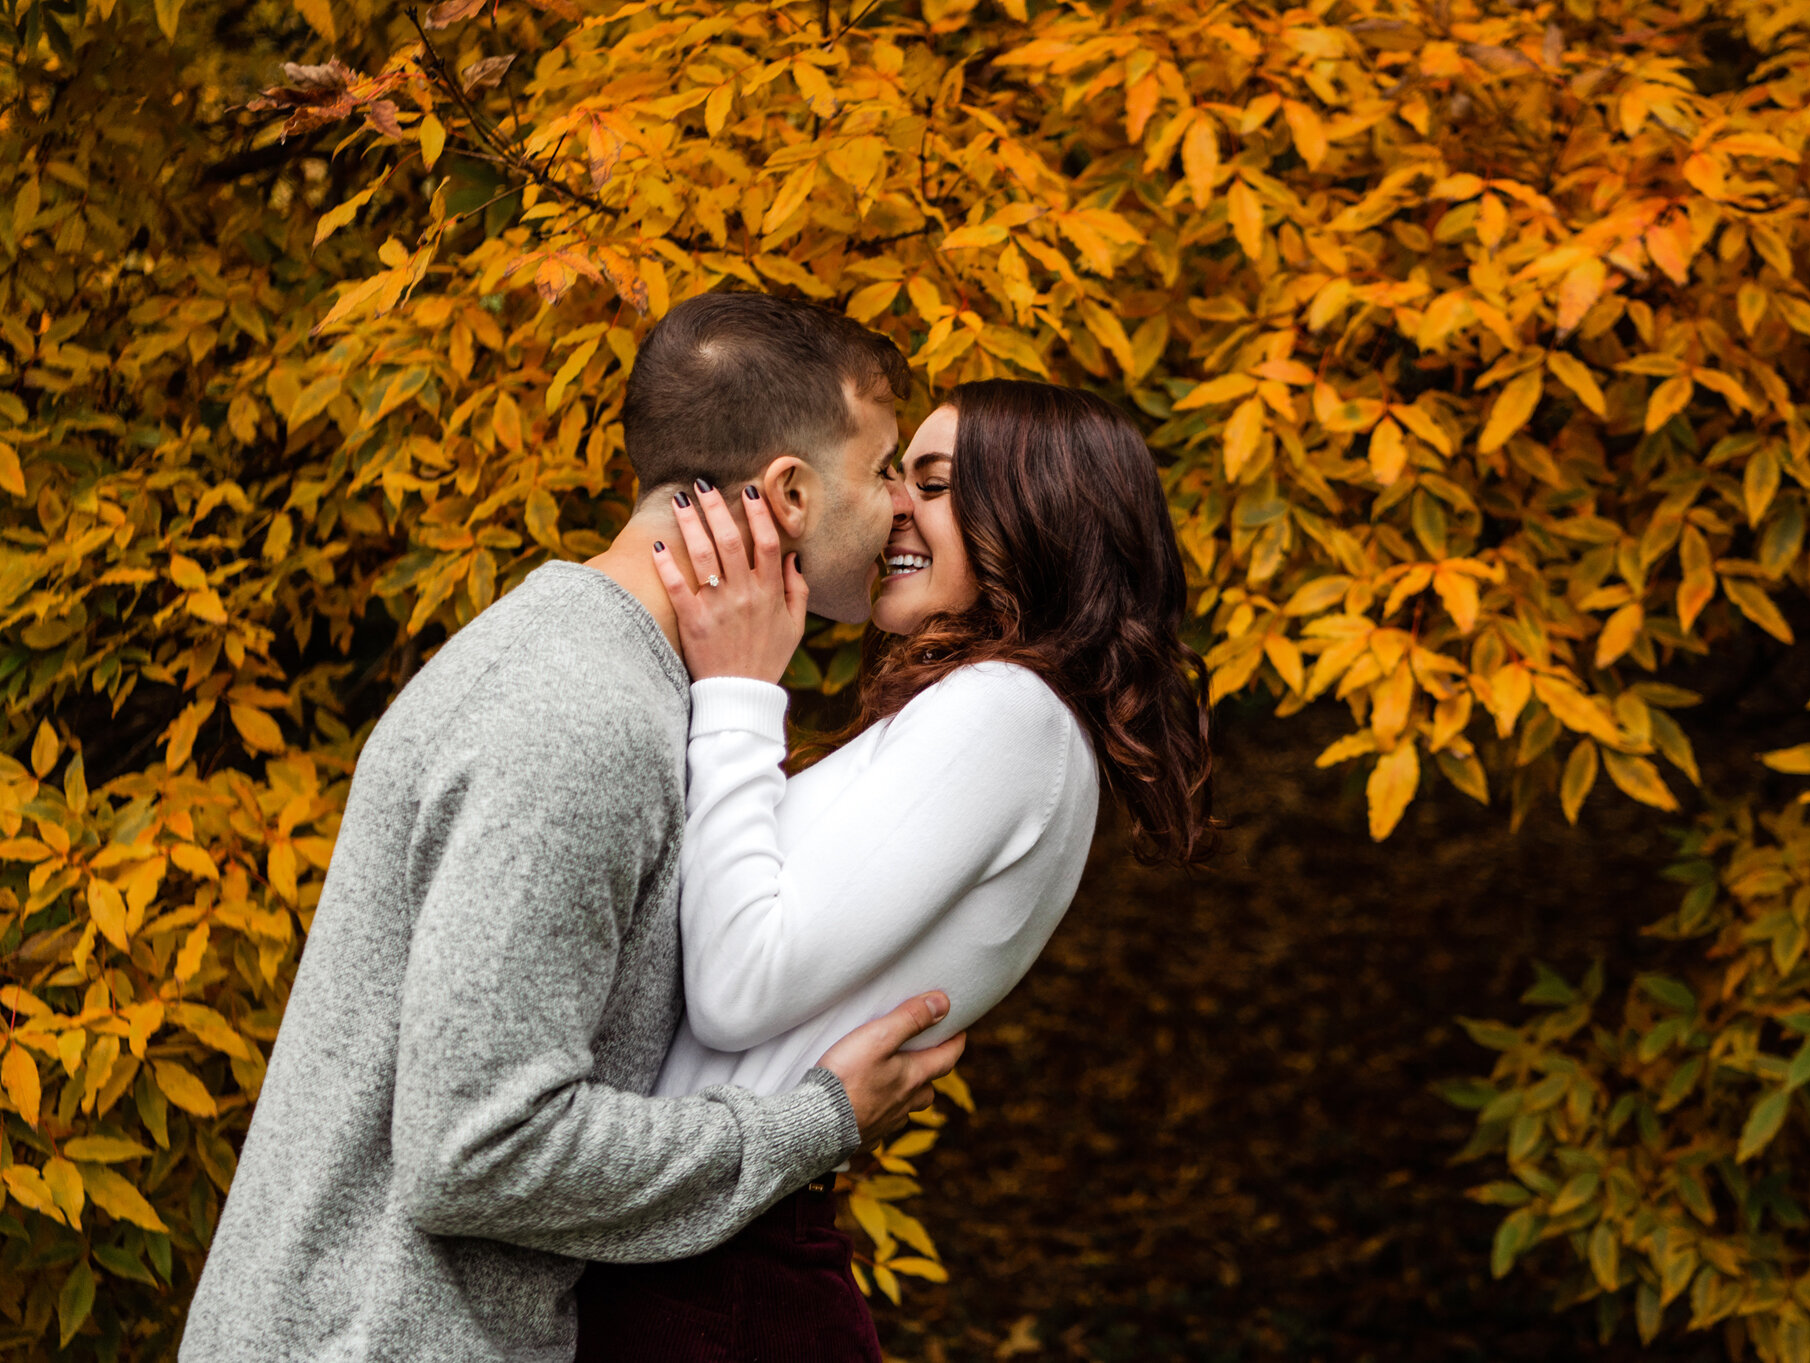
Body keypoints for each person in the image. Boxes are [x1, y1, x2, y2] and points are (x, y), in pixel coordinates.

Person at [180, 292, 967, 1362]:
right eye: (881, 471)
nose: (897, 508)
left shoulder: (580, 664)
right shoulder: (581, 715)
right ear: (789, 491)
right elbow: (479, 1146)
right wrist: (812, 1119)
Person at [573, 379, 1218, 1360]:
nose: (890, 506)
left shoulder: (1006, 710)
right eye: (892, 475)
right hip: (701, 1257)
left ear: (1034, 512)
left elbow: (740, 987)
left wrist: (743, 690)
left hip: (716, 1285)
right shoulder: (1001, 717)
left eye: (935, 481)